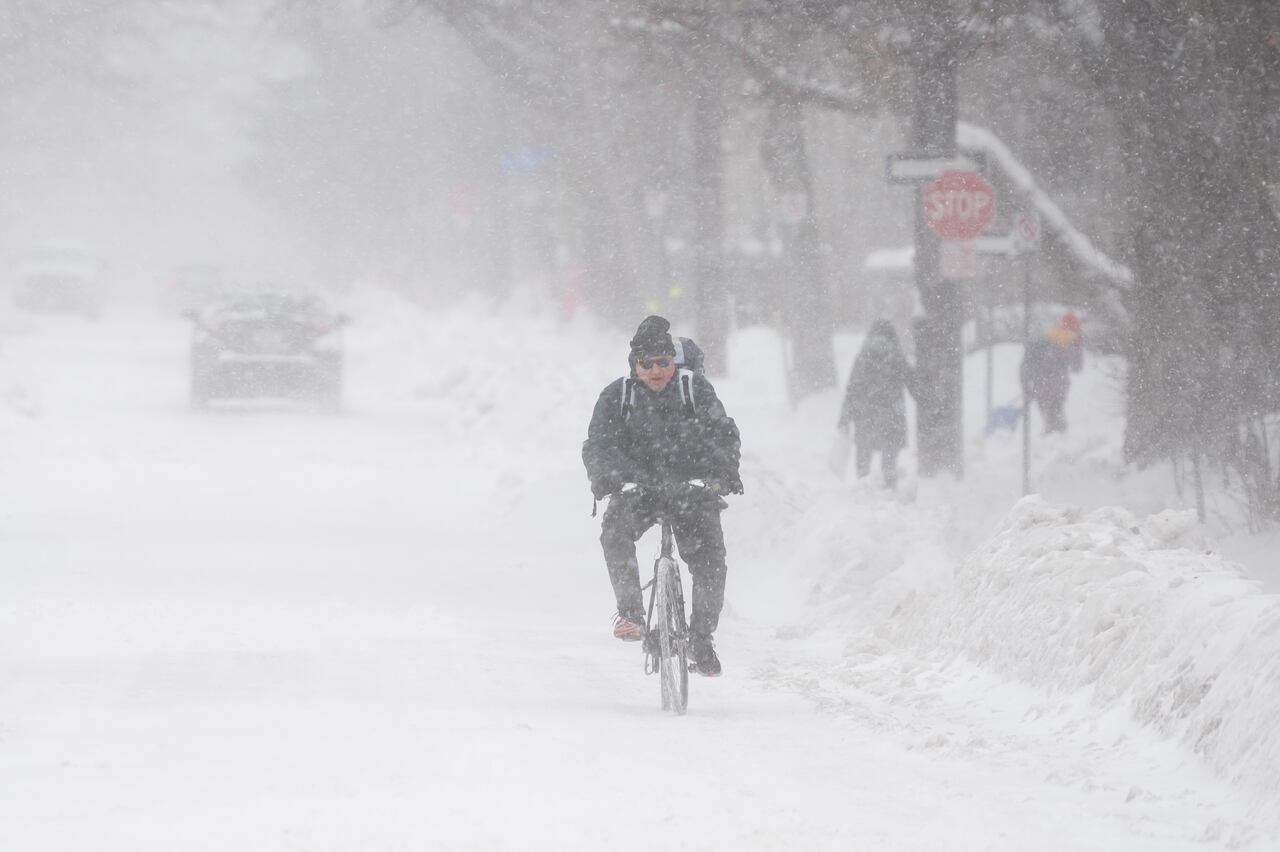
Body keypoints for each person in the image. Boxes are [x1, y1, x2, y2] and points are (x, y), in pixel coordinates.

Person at [582, 315, 742, 677]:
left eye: (664, 362)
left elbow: (724, 432)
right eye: (647, 363)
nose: (656, 371)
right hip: (638, 491)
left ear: (674, 361)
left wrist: (724, 471)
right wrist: (606, 478)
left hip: (690, 491)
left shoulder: (694, 390)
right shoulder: (616, 397)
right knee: (614, 532)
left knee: (709, 558)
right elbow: (598, 445)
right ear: (634, 365)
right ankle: (632, 614)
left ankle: (701, 637)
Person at [836, 320, 917, 489]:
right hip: (891, 417)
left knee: (863, 464)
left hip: (865, 417)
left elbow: (852, 390)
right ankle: (889, 491)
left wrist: (844, 418)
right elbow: (914, 386)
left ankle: (863, 492)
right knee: (889, 464)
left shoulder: (862, 358)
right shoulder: (897, 358)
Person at [1020, 311, 1083, 434]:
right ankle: (1053, 441)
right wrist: (1077, 346)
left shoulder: (1051, 337)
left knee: (1051, 418)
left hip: (1040, 385)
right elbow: (1077, 366)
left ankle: (1051, 440)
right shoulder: (1066, 342)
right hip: (1055, 386)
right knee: (1056, 423)